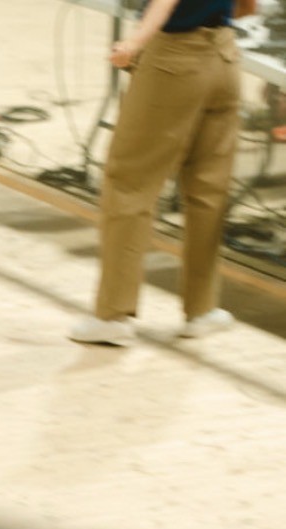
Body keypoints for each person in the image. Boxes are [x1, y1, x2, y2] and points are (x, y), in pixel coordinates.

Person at [68, 0, 257, 346]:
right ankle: (202, 310)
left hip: (174, 58)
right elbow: (248, 7)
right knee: (208, 189)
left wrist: (134, 44)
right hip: (224, 58)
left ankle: (113, 314)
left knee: (129, 184)